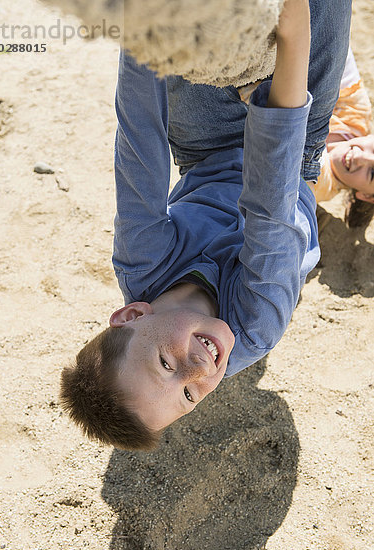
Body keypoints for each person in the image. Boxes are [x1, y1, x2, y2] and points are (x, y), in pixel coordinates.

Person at [60, 0, 352, 451]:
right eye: (189, 396)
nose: (198, 371)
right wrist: (292, 35)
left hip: (207, 146)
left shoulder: (142, 266)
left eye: (165, 363)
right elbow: (270, 202)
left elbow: (140, 145)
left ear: (133, 314)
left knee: (179, 21)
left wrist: (142, 25)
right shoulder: (256, 325)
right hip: (295, 153)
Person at [313, 47, 374, 228]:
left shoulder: (320, 184)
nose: (360, 157)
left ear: (366, 196)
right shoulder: (357, 115)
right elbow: (337, 51)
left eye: (372, 173)